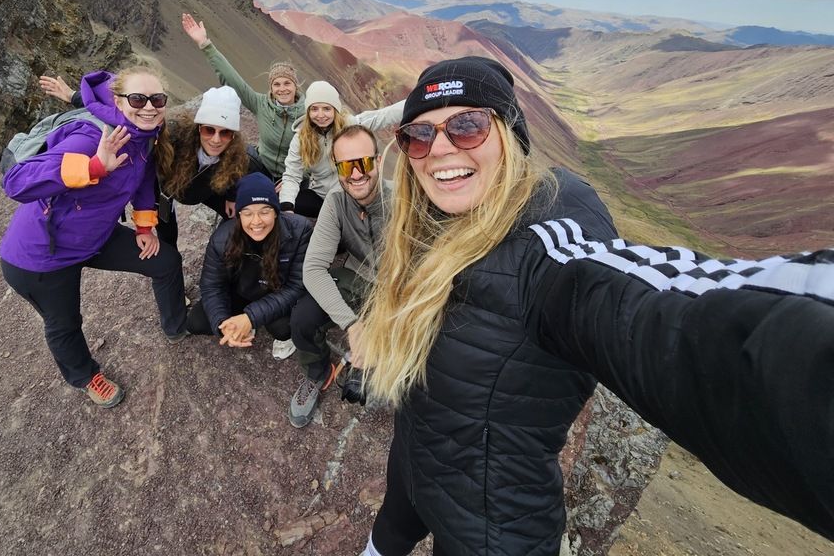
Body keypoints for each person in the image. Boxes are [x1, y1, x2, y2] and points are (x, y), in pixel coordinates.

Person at [356, 56, 834, 555]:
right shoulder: (431, 226)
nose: (440, 149)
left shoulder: (548, 252)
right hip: (411, 471)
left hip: (492, 530)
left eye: (468, 126)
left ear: (511, 135)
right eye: (418, 135)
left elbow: (668, 309)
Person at [0, 63, 188, 409]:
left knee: (165, 261)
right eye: (138, 98)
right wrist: (93, 166)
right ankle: (85, 376)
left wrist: (145, 226)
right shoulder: (91, 138)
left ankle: (177, 325)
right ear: (118, 102)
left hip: (94, 238)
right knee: (64, 322)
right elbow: (17, 181)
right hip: (43, 255)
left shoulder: (144, 135)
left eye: (158, 100)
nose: (149, 107)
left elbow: (144, 179)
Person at [39, 76, 266, 246]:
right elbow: (125, 118)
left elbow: (254, 176)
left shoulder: (238, 154)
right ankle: (173, 274)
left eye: (225, 133)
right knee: (168, 236)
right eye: (209, 129)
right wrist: (73, 96)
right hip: (165, 188)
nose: (216, 139)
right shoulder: (172, 133)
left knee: (237, 215)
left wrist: (233, 196)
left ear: (233, 136)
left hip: (204, 190)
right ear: (198, 128)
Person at [288, 124, 390, 428]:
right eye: (347, 165)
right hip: (357, 277)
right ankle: (317, 374)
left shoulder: (403, 200)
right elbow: (313, 269)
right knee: (302, 319)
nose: (356, 173)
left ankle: (372, 367)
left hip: (398, 290)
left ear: (379, 161)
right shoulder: (335, 202)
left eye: (365, 162)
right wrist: (352, 325)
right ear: (337, 169)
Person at [185, 173, 314, 358]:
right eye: (248, 213)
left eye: (264, 211)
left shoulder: (300, 230)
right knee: (197, 322)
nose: (256, 221)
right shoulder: (222, 239)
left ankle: (266, 329)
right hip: (241, 290)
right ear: (239, 215)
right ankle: (243, 324)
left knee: (284, 328)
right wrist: (224, 323)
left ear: (276, 212)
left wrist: (250, 317)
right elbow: (212, 285)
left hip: (278, 291)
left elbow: (297, 286)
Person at [181, 12, 304, 181]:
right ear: (271, 88)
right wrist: (205, 44)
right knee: (238, 157)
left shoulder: (308, 112)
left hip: (293, 177)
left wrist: (292, 179)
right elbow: (233, 80)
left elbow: (315, 155)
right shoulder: (261, 104)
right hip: (262, 168)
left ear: (295, 86)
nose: (282, 89)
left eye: (287, 83)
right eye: (277, 84)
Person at [279, 81, 403, 218]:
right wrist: (287, 209)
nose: (320, 115)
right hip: (322, 197)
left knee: (393, 198)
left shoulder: (348, 126)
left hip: (352, 192)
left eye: (326, 109)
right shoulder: (301, 138)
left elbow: (381, 117)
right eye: (314, 109)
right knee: (285, 201)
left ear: (335, 110)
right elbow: (292, 175)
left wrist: (420, 101)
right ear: (308, 111)